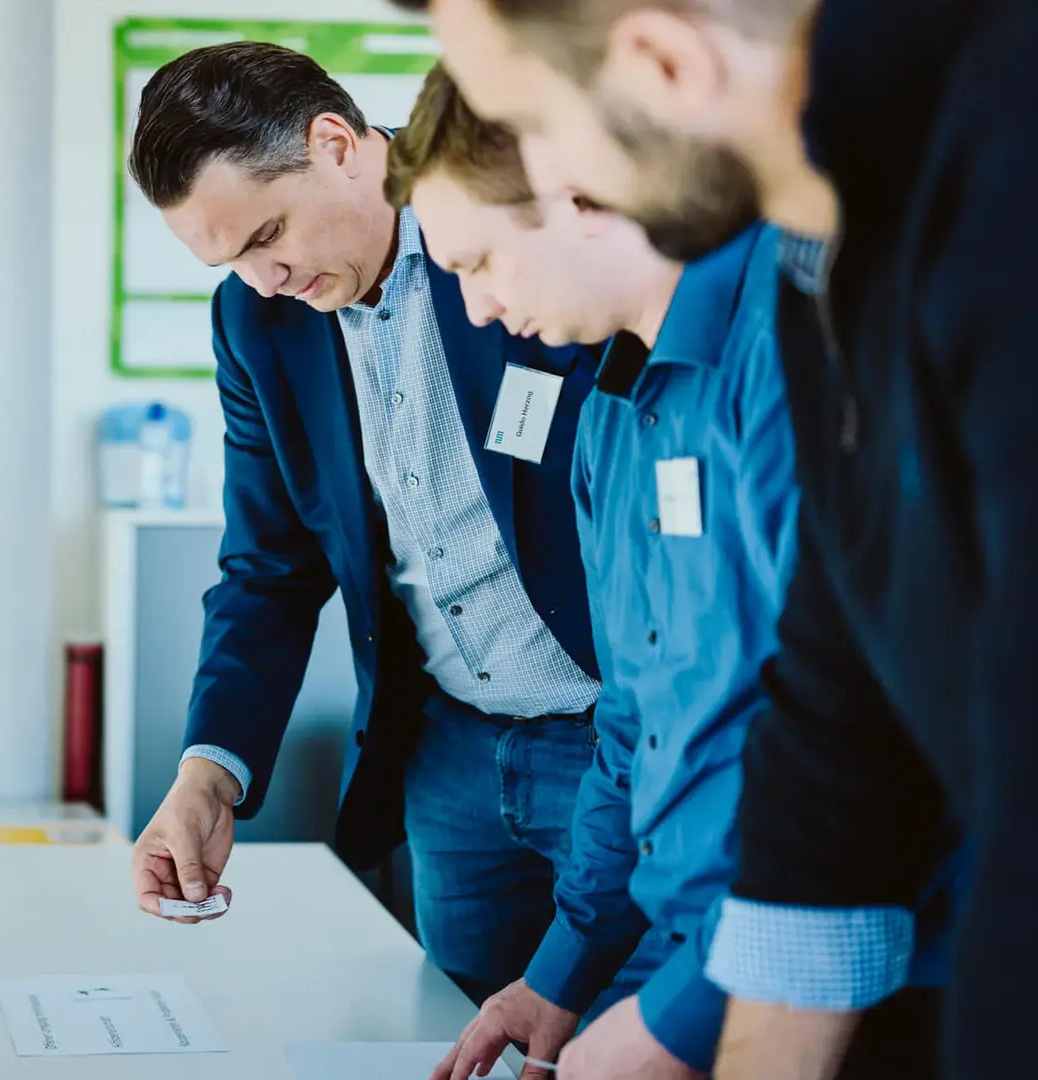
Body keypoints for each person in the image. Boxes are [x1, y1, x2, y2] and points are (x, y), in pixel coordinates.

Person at [404, 0, 1038, 1077]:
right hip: (738, 945)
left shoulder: (988, 193)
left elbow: (950, 750)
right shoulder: (656, 376)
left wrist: (693, 1017)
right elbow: (802, 708)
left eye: (528, 116)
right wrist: (585, 976)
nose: (473, 310)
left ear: (660, 65)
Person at [122, 40, 669, 1010]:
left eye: (265, 236)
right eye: (228, 261)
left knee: (634, 1034)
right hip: (449, 759)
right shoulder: (257, 323)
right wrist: (209, 770)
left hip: (617, 741)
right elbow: (268, 567)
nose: (262, 279)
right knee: (463, 1033)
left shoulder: (506, 229)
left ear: (337, 144)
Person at [388, 65, 796, 1080]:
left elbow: (858, 734)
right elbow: (633, 720)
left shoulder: (794, 343)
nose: (475, 312)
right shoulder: (608, 418)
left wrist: (690, 1016)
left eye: (481, 262)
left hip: (841, 977)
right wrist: (559, 976)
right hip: (702, 954)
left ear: (581, 187)